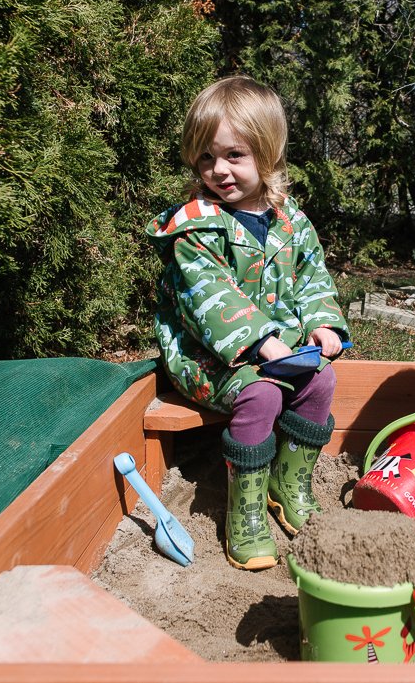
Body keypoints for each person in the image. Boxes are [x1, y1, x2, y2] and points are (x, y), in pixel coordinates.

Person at [145, 76, 350, 571]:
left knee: (322, 380)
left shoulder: (290, 221)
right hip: (207, 355)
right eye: (206, 159)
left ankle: (289, 482)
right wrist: (263, 342)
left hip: (278, 347)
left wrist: (324, 324)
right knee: (262, 394)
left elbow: (312, 277)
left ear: (268, 153)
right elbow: (211, 299)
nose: (219, 170)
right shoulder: (196, 226)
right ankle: (247, 510)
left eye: (235, 155)